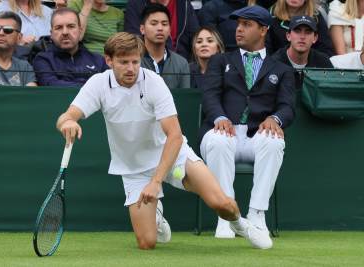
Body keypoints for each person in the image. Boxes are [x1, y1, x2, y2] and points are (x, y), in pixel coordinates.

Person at [56, 31, 273, 250]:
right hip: (134, 169)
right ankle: (156, 216)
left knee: (221, 203)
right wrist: (68, 123)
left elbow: (175, 136)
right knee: (147, 242)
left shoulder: (153, 82)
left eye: (135, 61)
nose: (131, 69)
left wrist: (156, 181)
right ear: (109, 60)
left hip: (173, 157)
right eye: (123, 62)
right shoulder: (99, 84)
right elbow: (66, 116)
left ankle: (241, 224)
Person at [199, 5, 295, 239]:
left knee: (274, 141)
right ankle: (227, 215)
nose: (238, 29)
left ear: (263, 30)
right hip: (223, 131)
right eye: (238, 24)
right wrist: (220, 118)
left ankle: (256, 214)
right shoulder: (220, 61)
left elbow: (288, 107)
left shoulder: (282, 69)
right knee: (218, 140)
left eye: (246, 25)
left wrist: (275, 119)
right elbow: (209, 95)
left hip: (256, 137)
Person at [33, 8, 108, 86]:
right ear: (51, 34)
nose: (65, 32)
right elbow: (52, 85)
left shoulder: (98, 60)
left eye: (71, 26)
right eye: (59, 28)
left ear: (80, 31)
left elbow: (108, 86)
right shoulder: (43, 60)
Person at [272, 15, 333, 90]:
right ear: (288, 36)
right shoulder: (274, 63)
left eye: (308, 32)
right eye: (297, 31)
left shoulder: (323, 63)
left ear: (315, 38)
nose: (302, 37)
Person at [124, 0, 200, 60]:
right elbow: (134, 38)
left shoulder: (184, 3)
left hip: (183, 61)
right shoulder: (136, 4)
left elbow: (195, 36)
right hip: (147, 60)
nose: (160, 28)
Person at [140, 3, 190, 89]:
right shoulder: (133, 60)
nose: (160, 28)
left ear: (170, 29)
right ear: (142, 29)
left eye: (164, 24)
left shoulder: (181, 63)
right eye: (154, 23)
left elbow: (184, 99)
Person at [197, 0, 275, 52]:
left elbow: (266, 43)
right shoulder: (211, 7)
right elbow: (211, 43)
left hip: (254, 59)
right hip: (224, 61)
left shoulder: (257, 7)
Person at [268, 0, 334, 56]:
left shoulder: (316, 17)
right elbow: (267, 48)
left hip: (310, 66)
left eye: (307, 31)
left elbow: (326, 49)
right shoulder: (271, 15)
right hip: (278, 65)